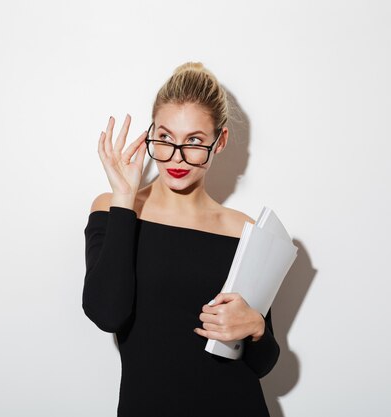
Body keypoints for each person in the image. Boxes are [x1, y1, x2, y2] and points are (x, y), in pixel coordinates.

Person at [82, 62, 280, 416]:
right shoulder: (115, 209)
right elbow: (107, 313)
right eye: (165, 137)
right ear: (150, 134)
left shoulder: (243, 230)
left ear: (219, 142)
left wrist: (257, 328)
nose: (176, 156)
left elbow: (264, 362)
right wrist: (125, 199)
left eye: (194, 141)